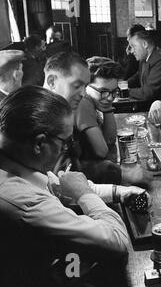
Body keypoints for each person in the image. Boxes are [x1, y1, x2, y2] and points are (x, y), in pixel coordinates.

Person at [0, 86, 146, 286]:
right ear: (39, 144)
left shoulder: (17, 159)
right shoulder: (27, 203)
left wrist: (118, 191)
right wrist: (85, 194)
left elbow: (61, 185)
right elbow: (117, 241)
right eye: (65, 142)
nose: (65, 149)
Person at [43, 52, 153, 187]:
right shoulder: (43, 116)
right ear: (52, 82)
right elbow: (62, 173)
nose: (83, 93)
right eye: (77, 86)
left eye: (84, 86)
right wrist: (120, 172)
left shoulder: (60, 109)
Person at [75, 56, 121, 165]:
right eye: (103, 91)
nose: (110, 98)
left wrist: (108, 107)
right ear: (86, 86)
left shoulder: (93, 101)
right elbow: (102, 152)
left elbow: (109, 140)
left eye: (114, 91)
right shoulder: (83, 103)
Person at [127, 30, 161, 103]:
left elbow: (148, 93)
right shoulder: (144, 58)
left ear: (144, 44)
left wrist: (124, 91)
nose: (131, 51)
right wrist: (122, 85)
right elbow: (137, 77)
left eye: (133, 46)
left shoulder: (160, 60)